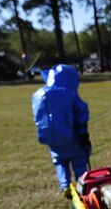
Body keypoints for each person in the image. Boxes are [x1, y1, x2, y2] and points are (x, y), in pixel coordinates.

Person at [32, 64, 92, 199]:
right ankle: (82, 185)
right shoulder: (69, 94)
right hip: (72, 137)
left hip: (52, 139)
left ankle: (65, 185)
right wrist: (83, 132)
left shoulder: (38, 95)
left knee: (60, 162)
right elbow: (81, 113)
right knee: (79, 160)